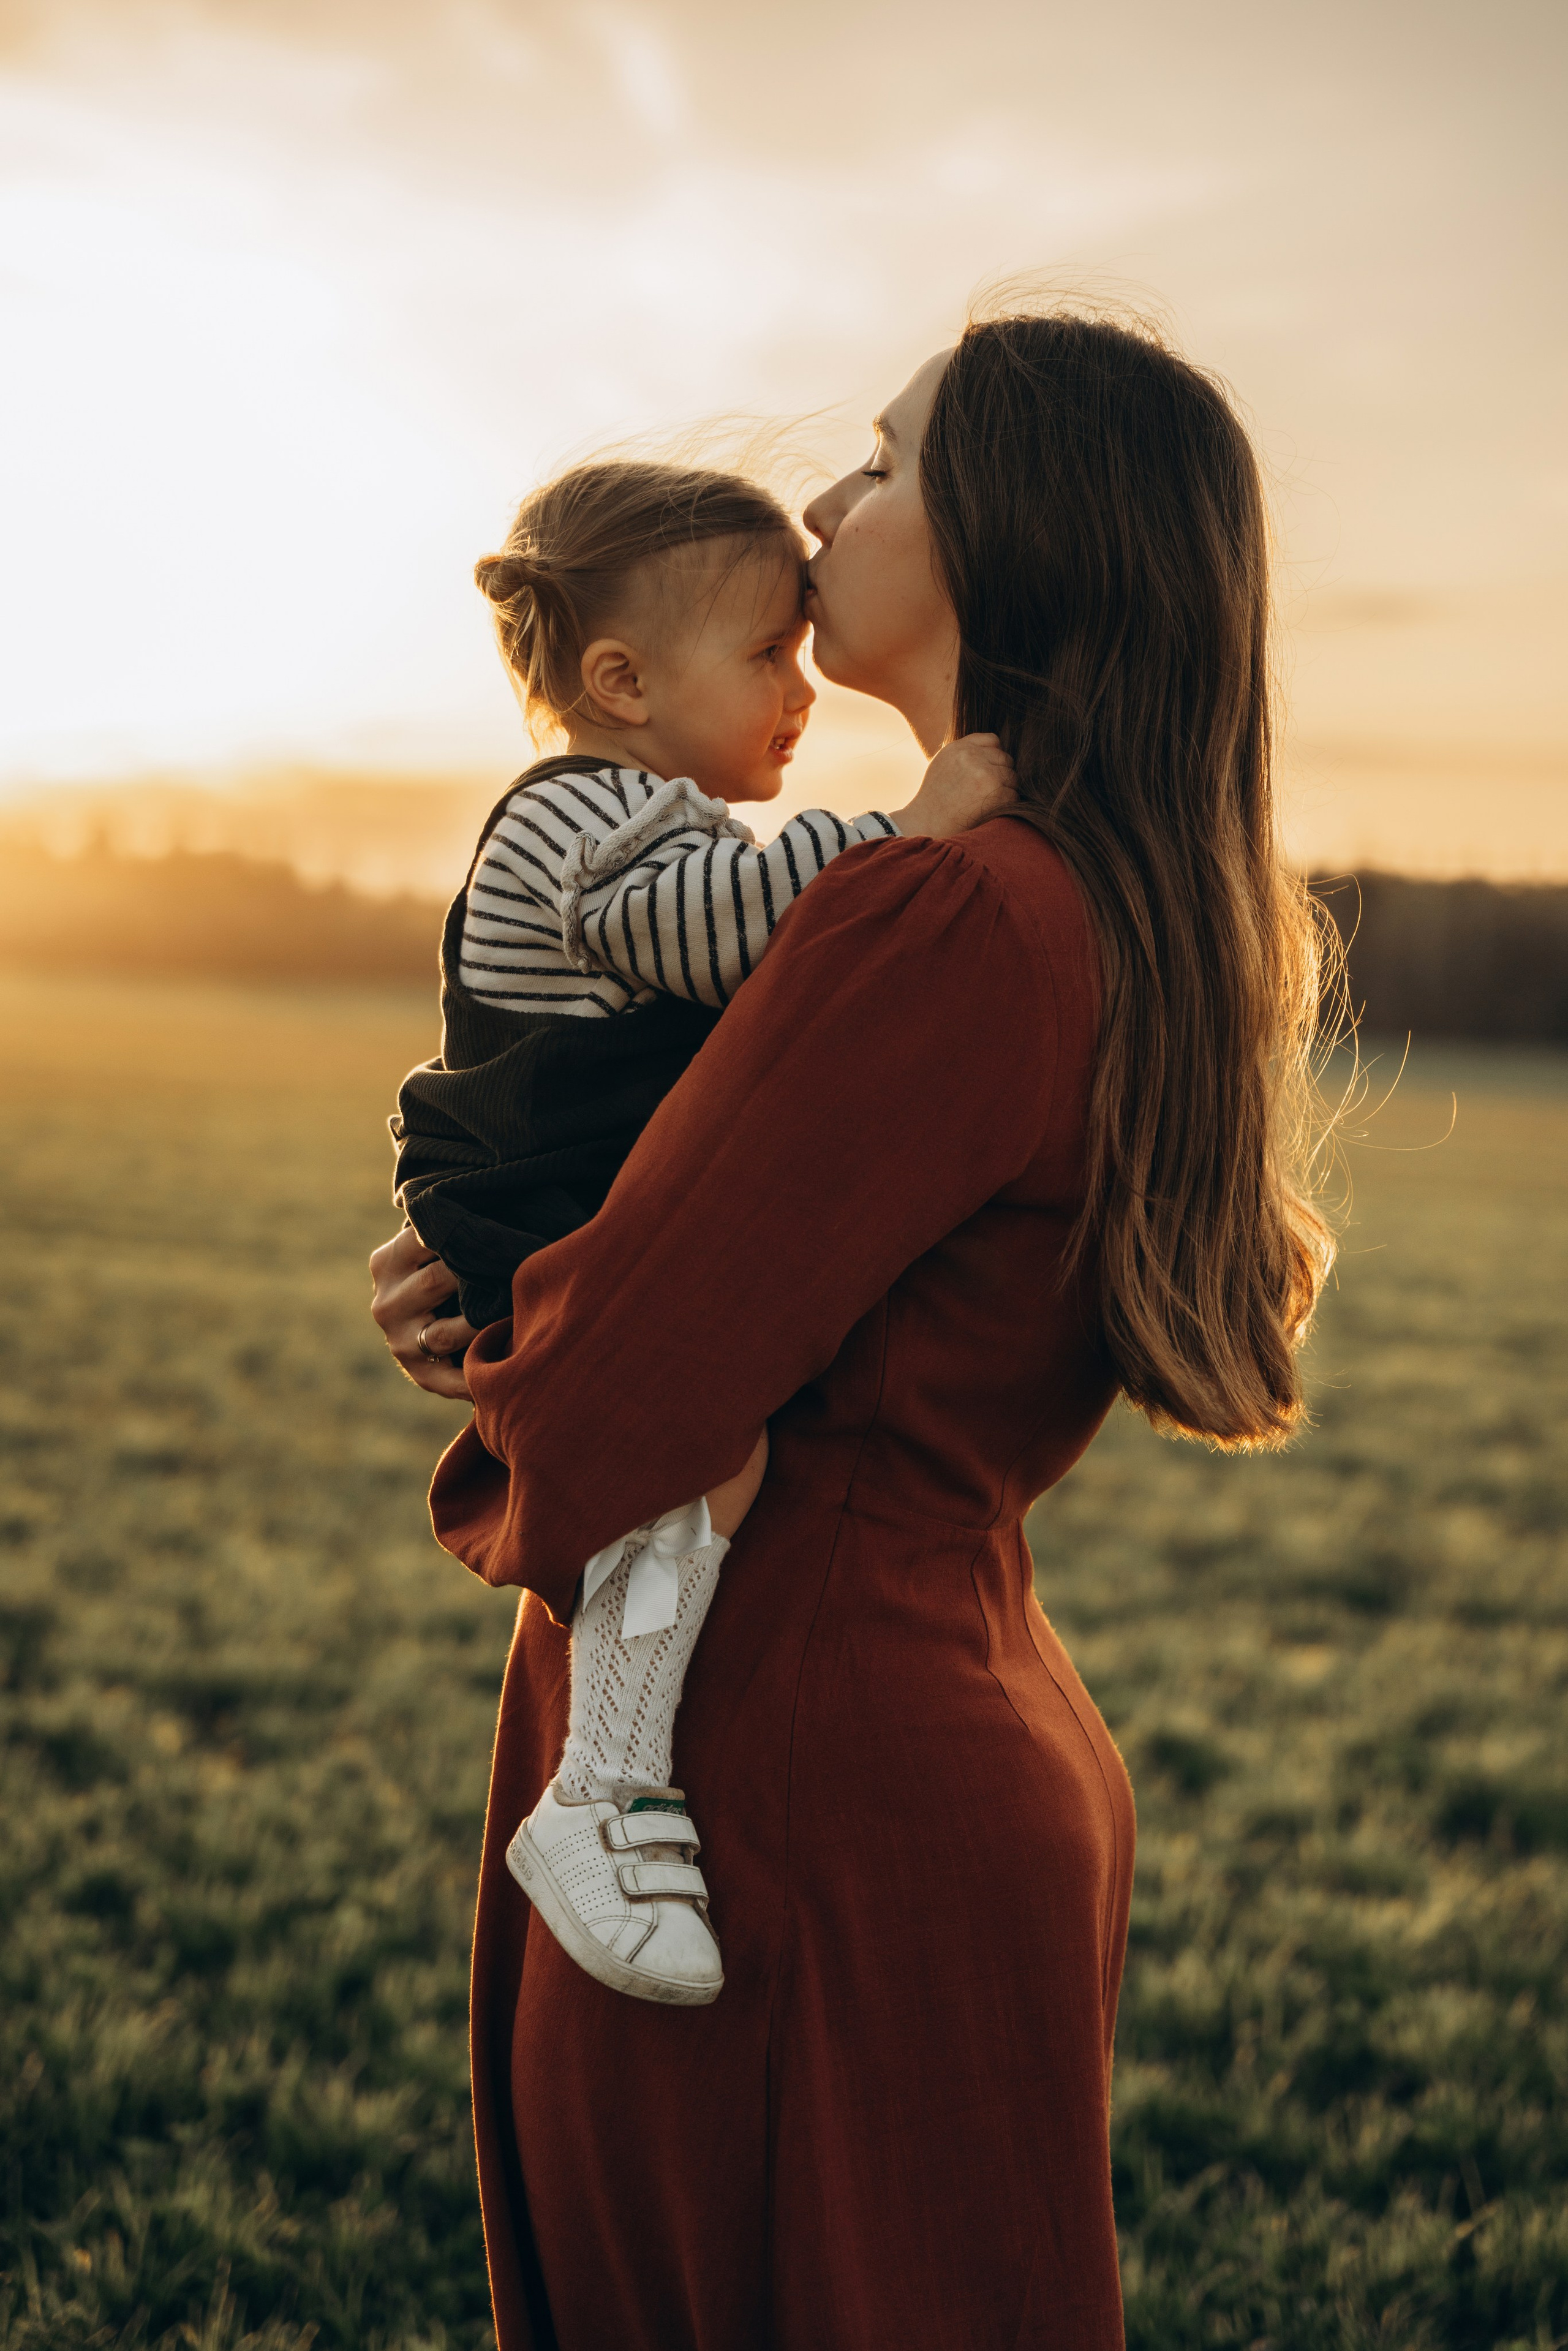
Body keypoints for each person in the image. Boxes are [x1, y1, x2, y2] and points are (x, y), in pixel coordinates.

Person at [371, 306, 1334, 2351]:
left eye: (882, 465)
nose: (822, 506)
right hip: (926, 1719)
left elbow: (630, 1382)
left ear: (1009, 535)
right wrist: (509, 1295)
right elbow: (728, 1251)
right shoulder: (1076, 893)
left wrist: (519, 1342)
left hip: (769, 1783)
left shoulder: (928, 909)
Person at [388, 455, 1015, 2007]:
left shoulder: (621, 811)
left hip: (561, 1191)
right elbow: (729, 925)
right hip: (552, 1199)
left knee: (693, 1460)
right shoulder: (592, 821)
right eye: (764, 657)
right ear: (621, 679)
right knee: (699, 1454)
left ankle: (608, 1776)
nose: (796, 690)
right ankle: (604, 1785)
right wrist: (915, 826)